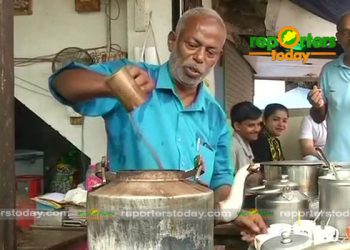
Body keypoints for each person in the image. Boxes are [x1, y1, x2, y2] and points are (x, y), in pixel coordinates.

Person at [48, 7, 266, 242]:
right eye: (192, 45)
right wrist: (109, 85)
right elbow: (62, 83)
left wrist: (234, 212)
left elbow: (220, 180)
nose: (200, 57)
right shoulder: (132, 80)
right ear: (173, 41)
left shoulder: (215, 116)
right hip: (128, 234)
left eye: (211, 52)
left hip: (189, 238)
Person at [308, 12, 350, 161]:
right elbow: (318, 118)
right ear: (338, 37)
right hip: (337, 163)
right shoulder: (328, 70)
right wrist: (316, 105)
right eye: (346, 32)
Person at [230, 101, 263, 186]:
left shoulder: (245, 142)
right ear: (237, 126)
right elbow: (228, 181)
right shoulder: (231, 145)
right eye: (251, 125)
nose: (257, 129)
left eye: (259, 124)